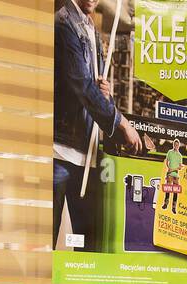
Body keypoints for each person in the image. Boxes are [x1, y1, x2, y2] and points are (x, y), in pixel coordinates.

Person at [53, 0, 147, 252]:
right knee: (47, 239)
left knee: (90, 244)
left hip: (86, 151)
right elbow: (81, 85)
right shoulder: (64, 23)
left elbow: (93, 86)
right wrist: (122, 123)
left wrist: (106, 94)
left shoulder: (90, 27)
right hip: (61, 150)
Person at [162, 139, 184, 212]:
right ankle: (165, 204)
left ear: (179, 146)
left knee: (175, 191)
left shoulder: (180, 156)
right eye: (175, 144)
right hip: (169, 174)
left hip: (176, 176)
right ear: (173, 145)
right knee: (168, 189)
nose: (176, 146)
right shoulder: (170, 152)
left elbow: (180, 167)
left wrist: (177, 168)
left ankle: (174, 207)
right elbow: (167, 162)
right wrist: (169, 168)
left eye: (177, 145)